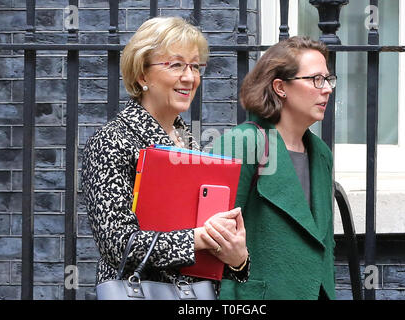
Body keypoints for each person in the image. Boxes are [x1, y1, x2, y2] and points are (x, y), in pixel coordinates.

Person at [82, 16, 249, 294]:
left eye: (195, 66)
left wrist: (236, 258)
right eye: (176, 65)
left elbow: (208, 248)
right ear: (142, 75)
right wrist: (198, 238)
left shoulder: (190, 144)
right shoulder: (112, 140)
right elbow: (117, 245)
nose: (190, 77)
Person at [212, 36, 337, 299]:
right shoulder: (242, 143)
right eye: (316, 79)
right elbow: (213, 235)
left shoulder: (321, 154)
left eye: (328, 79)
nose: (326, 89)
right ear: (280, 87)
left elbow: (322, 241)